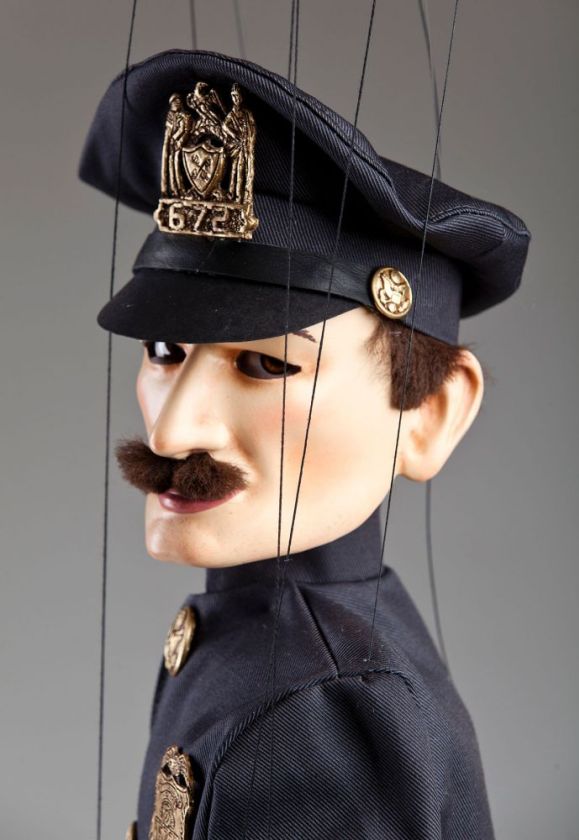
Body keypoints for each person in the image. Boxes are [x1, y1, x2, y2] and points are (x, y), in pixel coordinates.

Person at [79, 50, 530, 839]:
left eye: (264, 365)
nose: (172, 430)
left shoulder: (321, 715)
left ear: (429, 412)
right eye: (164, 352)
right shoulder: (267, 648)